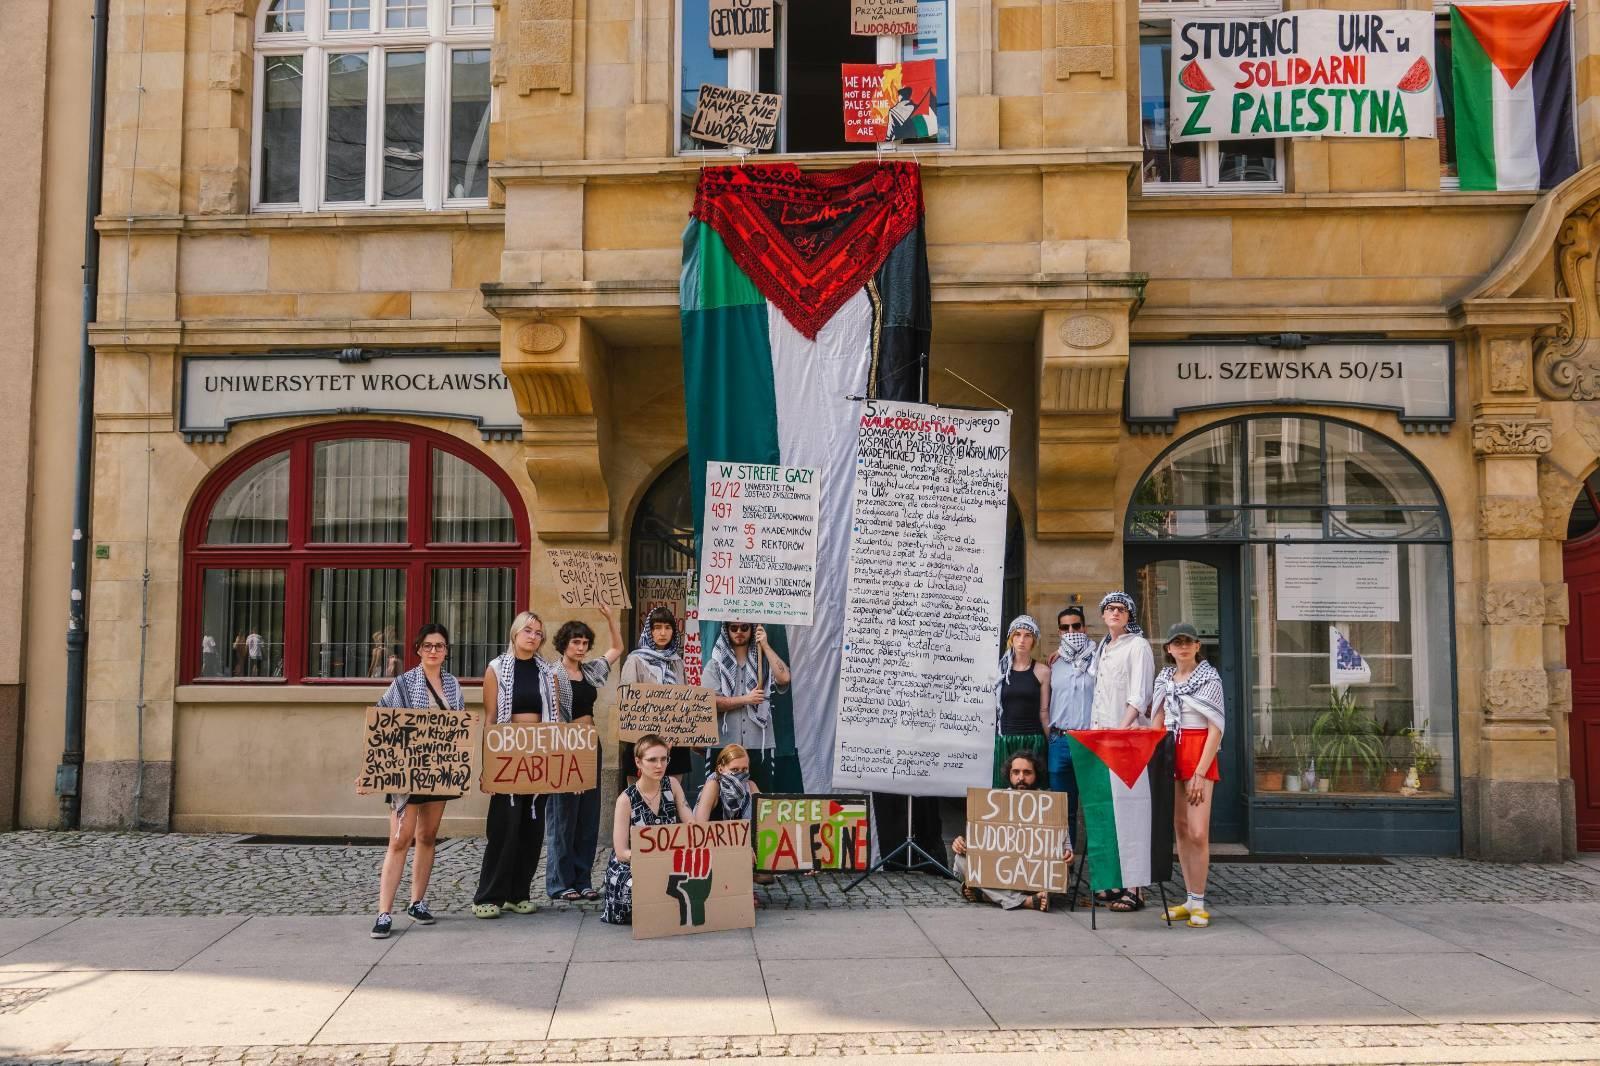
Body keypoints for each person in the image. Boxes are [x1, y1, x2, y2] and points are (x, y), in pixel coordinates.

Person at [370, 623, 466, 938]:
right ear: (418, 650)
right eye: (428, 646)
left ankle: (417, 902)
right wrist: (371, 768)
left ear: (447, 650)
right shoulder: (403, 682)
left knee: (427, 836)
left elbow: (458, 728)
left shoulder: (453, 686)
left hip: (438, 771)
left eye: (439, 646)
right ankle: (384, 912)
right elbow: (382, 721)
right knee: (400, 838)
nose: (434, 651)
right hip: (406, 773)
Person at [474, 610, 566, 919]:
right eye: (528, 630)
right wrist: (488, 764)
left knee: (532, 827)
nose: (533, 636)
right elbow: (490, 718)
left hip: (538, 757)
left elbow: (555, 716)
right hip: (508, 756)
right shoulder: (497, 669)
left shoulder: (548, 671)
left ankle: (518, 893)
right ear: (515, 633)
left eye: (539, 632)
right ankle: (488, 895)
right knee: (504, 827)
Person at [544, 604, 624, 902]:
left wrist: (609, 618)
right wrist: (567, 755)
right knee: (563, 816)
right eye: (575, 642)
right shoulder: (552, 674)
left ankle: (583, 877)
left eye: (585, 643)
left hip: (591, 744)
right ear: (564, 643)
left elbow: (617, 647)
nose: (580, 647)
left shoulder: (590, 671)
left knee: (588, 816)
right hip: (565, 744)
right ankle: (559, 882)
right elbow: (551, 714)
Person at [1150, 622, 1224, 929]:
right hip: (1170, 752)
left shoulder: (1210, 678)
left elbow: (1216, 728)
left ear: (1197, 646)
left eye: (1188, 642)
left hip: (1198, 754)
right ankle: (1189, 899)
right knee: (1179, 829)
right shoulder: (1164, 678)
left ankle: (1200, 900)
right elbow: (1156, 719)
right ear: (1168, 649)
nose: (1182, 647)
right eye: (1176, 642)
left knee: (1197, 831)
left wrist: (1200, 771)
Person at [1090, 590, 1154, 912]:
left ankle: (1136, 888)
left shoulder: (1137, 646)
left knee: (1132, 811)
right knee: (1109, 812)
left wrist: (1123, 727)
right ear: (1103, 615)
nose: (1115, 613)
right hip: (1101, 740)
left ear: (1129, 615)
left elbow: (1139, 693)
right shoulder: (1103, 648)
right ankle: (1114, 880)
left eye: (1121, 609)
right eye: (1109, 609)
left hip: (1126, 741)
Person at [951, 749, 1072, 911]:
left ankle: (987, 895)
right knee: (960, 861)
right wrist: (961, 842)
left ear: (1036, 775)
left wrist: (1068, 856)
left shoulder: (1050, 804)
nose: (1021, 777)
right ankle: (1025, 901)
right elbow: (980, 843)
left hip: (1034, 879)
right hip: (1002, 874)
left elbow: (1067, 850)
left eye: (1027, 772)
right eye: (1016, 772)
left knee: (1063, 875)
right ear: (1009, 775)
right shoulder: (994, 801)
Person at [601, 732, 695, 925]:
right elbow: (621, 852)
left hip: (668, 857)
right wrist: (649, 859)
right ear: (638, 762)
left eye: (663, 759)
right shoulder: (626, 799)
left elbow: (692, 827)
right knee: (635, 887)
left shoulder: (673, 785)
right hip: (634, 862)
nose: (659, 766)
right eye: (652, 760)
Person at [709, 622, 791, 792]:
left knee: (760, 801)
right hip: (724, 745)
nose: (739, 632)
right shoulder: (715, 664)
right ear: (726, 630)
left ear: (752, 629)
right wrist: (746, 699)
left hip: (759, 745)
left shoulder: (765, 663)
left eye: (744, 628)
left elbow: (784, 678)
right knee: (719, 800)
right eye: (734, 628)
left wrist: (765, 645)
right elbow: (711, 703)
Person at [619, 606, 691, 789]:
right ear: (649, 631)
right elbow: (627, 702)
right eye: (657, 627)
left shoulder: (677, 662)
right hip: (642, 742)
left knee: (671, 798)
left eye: (668, 628)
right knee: (640, 799)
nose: (662, 633)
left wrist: (673, 736)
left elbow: (683, 701)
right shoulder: (635, 660)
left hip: (674, 743)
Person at [1047, 606, 1095, 824]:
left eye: (1076, 626)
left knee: (1096, 807)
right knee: (1062, 811)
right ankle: (1066, 858)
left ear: (1084, 628)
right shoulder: (1053, 664)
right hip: (1059, 740)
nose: (1071, 631)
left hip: (1090, 740)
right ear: (1059, 632)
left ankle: (1097, 859)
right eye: (1065, 627)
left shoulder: (1099, 660)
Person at [993, 615, 1050, 788]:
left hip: (1033, 739)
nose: (1022, 640)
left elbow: (1044, 712)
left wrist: (1051, 742)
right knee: (1004, 792)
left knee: (1034, 791)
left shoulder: (1042, 671)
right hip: (1005, 739)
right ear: (1011, 638)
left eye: (1027, 635)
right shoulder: (999, 672)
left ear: (1034, 640)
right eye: (1017, 634)